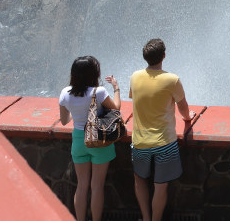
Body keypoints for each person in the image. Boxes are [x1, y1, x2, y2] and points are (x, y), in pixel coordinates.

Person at [129, 38, 195, 221]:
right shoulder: (172, 80)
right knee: (161, 186)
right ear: (164, 56)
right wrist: (189, 118)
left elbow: (136, 98)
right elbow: (183, 107)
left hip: (140, 141)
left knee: (140, 181)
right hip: (165, 142)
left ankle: (145, 217)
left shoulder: (134, 77)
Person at [58, 56, 122, 221]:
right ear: (94, 73)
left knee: (82, 185)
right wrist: (116, 88)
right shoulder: (98, 92)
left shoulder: (65, 93)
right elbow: (116, 109)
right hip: (99, 139)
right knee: (97, 186)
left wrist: (78, 112)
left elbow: (64, 121)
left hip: (79, 140)